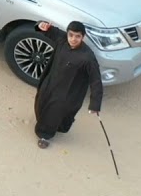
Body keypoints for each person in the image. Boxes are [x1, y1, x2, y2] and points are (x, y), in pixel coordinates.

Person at [33, 20, 103, 149]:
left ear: (83, 37)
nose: (73, 39)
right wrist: (40, 25)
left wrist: (95, 104)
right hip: (50, 82)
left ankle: (45, 135)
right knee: (41, 102)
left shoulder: (88, 58)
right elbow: (43, 29)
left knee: (54, 111)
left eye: (78, 36)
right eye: (71, 35)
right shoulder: (62, 39)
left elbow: (96, 80)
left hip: (67, 92)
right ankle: (50, 124)